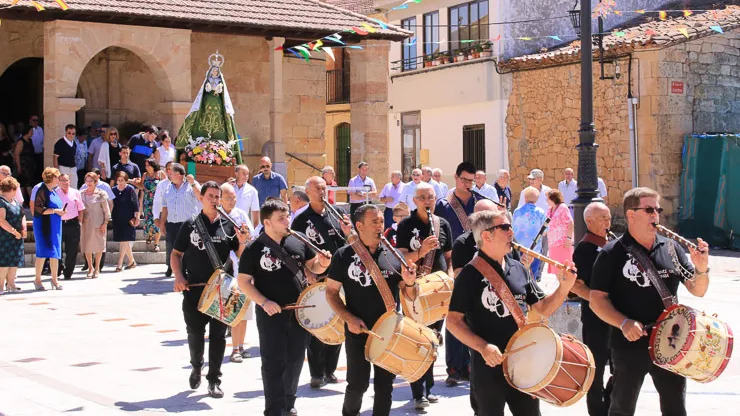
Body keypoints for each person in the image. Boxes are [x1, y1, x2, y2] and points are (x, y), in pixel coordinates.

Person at [590, 187, 710, 416]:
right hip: (629, 344)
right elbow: (597, 300)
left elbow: (698, 290)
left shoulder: (672, 248)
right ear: (631, 215)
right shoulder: (611, 253)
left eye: (657, 209)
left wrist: (702, 269)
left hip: (671, 340)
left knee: (675, 406)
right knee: (622, 407)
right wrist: (623, 322)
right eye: (649, 210)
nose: (655, 215)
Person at [446, 209, 577, 416]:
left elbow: (542, 309)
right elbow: (453, 322)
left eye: (511, 227)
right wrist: (483, 347)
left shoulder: (518, 268)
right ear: (486, 235)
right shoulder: (469, 274)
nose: (511, 233)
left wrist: (564, 287)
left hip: (523, 362)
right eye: (505, 228)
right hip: (488, 365)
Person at [237, 199, 332, 415]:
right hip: (270, 313)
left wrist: (323, 263)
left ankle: (289, 401)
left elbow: (313, 267)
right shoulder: (254, 248)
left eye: (287, 215)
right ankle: (273, 408)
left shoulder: (298, 241)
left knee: (296, 359)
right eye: (281, 218)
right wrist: (263, 302)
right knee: (272, 362)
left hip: (299, 312)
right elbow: (243, 282)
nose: (287, 220)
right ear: (267, 223)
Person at [325, 204, 418, 416]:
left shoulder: (394, 255)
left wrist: (410, 283)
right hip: (358, 330)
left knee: (385, 387)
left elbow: (410, 296)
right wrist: (349, 319)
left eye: (381, 221)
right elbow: (330, 293)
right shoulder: (343, 255)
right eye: (374, 222)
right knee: (357, 384)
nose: (380, 226)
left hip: (388, 332)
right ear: (359, 226)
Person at [173, 182, 249, 399]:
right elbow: (176, 254)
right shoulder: (190, 224)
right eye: (211, 196)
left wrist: (242, 242)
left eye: (218, 197)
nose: (215, 200)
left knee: (218, 337)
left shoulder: (229, 225)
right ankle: (197, 365)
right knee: (195, 334)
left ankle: (214, 379)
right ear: (202, 198)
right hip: (195, 289)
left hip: (223, 290)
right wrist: (178, 276)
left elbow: (242, 254)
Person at [291, 176, 352, 389]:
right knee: (318, 325)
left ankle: (330, 369)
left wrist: (349, 232)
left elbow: (350, 244)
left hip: (340, 277)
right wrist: (307, 271)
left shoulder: (338, 214)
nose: (322, 191)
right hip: (317, 277)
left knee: (338, 321)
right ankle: (316, 373)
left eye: (325, 188)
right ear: (308, 191)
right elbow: (296, 250)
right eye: (318, 188)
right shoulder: (301, 219)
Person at [395, 182, 453, 409]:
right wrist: (422, 251)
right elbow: (401, 257)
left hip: (437, 290)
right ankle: (418, 392)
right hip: (414, 288)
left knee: (434, 338)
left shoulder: (443, 224)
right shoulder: (406, 225)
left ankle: (428, 388)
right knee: (416, 339)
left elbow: (449, 257)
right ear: (415, 200)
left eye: (431, 197)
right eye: (423, 197)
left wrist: (450, 277)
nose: (428, 201)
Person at [433, 161, 482, 386]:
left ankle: (471, 365)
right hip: (454, 264)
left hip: (478, 264)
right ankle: (454, 367)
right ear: (455, 177)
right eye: (464, 180)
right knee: (455, 316)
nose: (468, 184)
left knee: (474, 316)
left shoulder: (479, 203)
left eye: (471, 180)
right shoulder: (444, 205)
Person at [570, 202, 612, 416]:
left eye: (608, 217)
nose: (608, 221)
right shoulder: (584, 249)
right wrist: (600, 303)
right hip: (596, 318)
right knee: (596, 370)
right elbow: (578, 285)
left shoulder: (612, 243)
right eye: (603, 218)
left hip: (618, 318)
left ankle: (612, 406)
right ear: (589, 222)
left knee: (622, 368)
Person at [219, 183, 255, 363]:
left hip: (243, 267)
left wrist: (246, 236)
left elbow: (252, 236)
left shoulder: (240, 214)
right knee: (233, 309)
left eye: (234, 197)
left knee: (245, 310)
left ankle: (241, 345)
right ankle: (234, 349)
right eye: (228, 197)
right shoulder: (217, 217)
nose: (232, 201)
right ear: (220, 198)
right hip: (226, 269)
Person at [451, 199, 520, 278]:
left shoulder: (507, 238)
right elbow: (459, 277)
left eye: (493, 215)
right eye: (484, 217)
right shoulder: (462, 243)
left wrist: (525, 266)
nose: (488, 220)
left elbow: (518, 271)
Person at [161, 163, 202, 277]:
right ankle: (174, 268)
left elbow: (201, 197)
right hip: (172, 223)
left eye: (172, 172)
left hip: (187, 225)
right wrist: (162, 223)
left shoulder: (191, 185)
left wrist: (193, 183)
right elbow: (165, 207)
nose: (169, 175)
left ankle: (187, 270)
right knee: (172, 247)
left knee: (188, 249)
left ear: (179, 174)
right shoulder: (169, 187)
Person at [33, 168, 64, 290]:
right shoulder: (42, 190)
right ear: (52, 178)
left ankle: (54, 280)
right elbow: (39, 209)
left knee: (55, 252)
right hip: (44, 225)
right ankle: (37, 280)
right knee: (42, 252)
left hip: (55, 225)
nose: (59, 179)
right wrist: (55, 211)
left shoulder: (54, 191)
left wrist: (60, 211)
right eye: (57, 177)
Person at [79, 169, 115, 272]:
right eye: (87, 180)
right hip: (86, 223)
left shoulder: (101, 194)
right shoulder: (81, 194)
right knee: (87, 246)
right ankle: (90, 267)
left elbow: (106, 210)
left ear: (95, 182)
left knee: (99, 246)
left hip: (99, 224)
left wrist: (105, 223)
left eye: (91, 181)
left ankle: (97, 268)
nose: (89, 183)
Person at [512, 186, 548, 279]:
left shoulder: (517, 211)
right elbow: (545, 231)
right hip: (534, 247)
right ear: (536, 199)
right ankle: (532, 288)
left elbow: (513, 227)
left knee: (520, 271)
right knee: (533, 271)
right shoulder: (541, 212)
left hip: (519, 247)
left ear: (525, 198)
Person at [0, 176, 26, 294]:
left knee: (14, 261)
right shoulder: (1, 201)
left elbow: (22, 216)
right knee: (4, 262)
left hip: (17, 236)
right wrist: (14, 232)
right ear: (11, 189)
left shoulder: (16, 202)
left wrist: (23, 229)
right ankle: (0, 286)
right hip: (5, 236)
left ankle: (11, 284)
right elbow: (1, 220)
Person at [57, 174, 85, 280]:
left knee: (72, 250)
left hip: (73, 223)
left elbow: (81, 208)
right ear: (58, 181)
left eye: (66, 180)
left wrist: (80, 222)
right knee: (57, 248)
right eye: (62, 180)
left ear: (70, 181)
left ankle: (68, 272)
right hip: (59, 223)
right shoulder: (55, 193)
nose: (64, 182)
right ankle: (58, 268)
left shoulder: (76, 192)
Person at [133, 158, 163, 252]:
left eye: (148, 165)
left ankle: (156, 243)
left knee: (157, 221)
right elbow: (142, 186)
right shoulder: (145, 175)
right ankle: (150, 235)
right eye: (146, 165)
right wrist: (134, 183)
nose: (146, 167)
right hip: (147, 201)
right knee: (149, 220)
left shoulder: (160, 174)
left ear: (153, 165)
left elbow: (167, 185)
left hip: (158, 201)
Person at [111, 172, 139, 272]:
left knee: (124, 240)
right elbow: (111, 203)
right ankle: (131, 261)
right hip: (117, 218)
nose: (120, 182)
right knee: (123, 240)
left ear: (126, 180)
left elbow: (136, 204)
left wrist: (137, 217)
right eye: (118, 180)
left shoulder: (130, 189)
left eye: (122, 180)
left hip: (128, 218)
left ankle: (119, 264)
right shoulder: (113, 190)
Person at [545, 189, 574, 273]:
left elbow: (570, 222)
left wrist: (568, 238)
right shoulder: (549, 209)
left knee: (564, 269)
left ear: (553, 198)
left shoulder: (562, 207)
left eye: (548, 198)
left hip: (563, 243)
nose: (546, 201)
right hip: (552, 243)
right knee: (556, 269)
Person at [13, 124, 36, 204]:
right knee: (25, 183)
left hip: (30, 165)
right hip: (23, 165)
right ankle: (29, 201)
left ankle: (26, 201)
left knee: (27, 183)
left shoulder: (30, 140)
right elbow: (17, 154)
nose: (32, 132)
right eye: (31, 131)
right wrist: (19, 166)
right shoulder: (21, 141)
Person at [53, 124, 79, 189]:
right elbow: (55, 157)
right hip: (63, 168)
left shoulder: (74, 143)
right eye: (69, 133)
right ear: (66, 132)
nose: (71, 135)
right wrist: (56, 170)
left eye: (73, 133)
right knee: (62, 188)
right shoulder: (60, 143)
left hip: (73, 169)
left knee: (74, 188)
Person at [29, 115, 44, 180]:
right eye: (34, 120)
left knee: (39, 169)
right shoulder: (28, 129)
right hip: (30, 154)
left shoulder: (40, 129)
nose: (36, 122)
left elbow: (43, 140)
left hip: (39, 153)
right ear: (30, 120)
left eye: (37, 120)